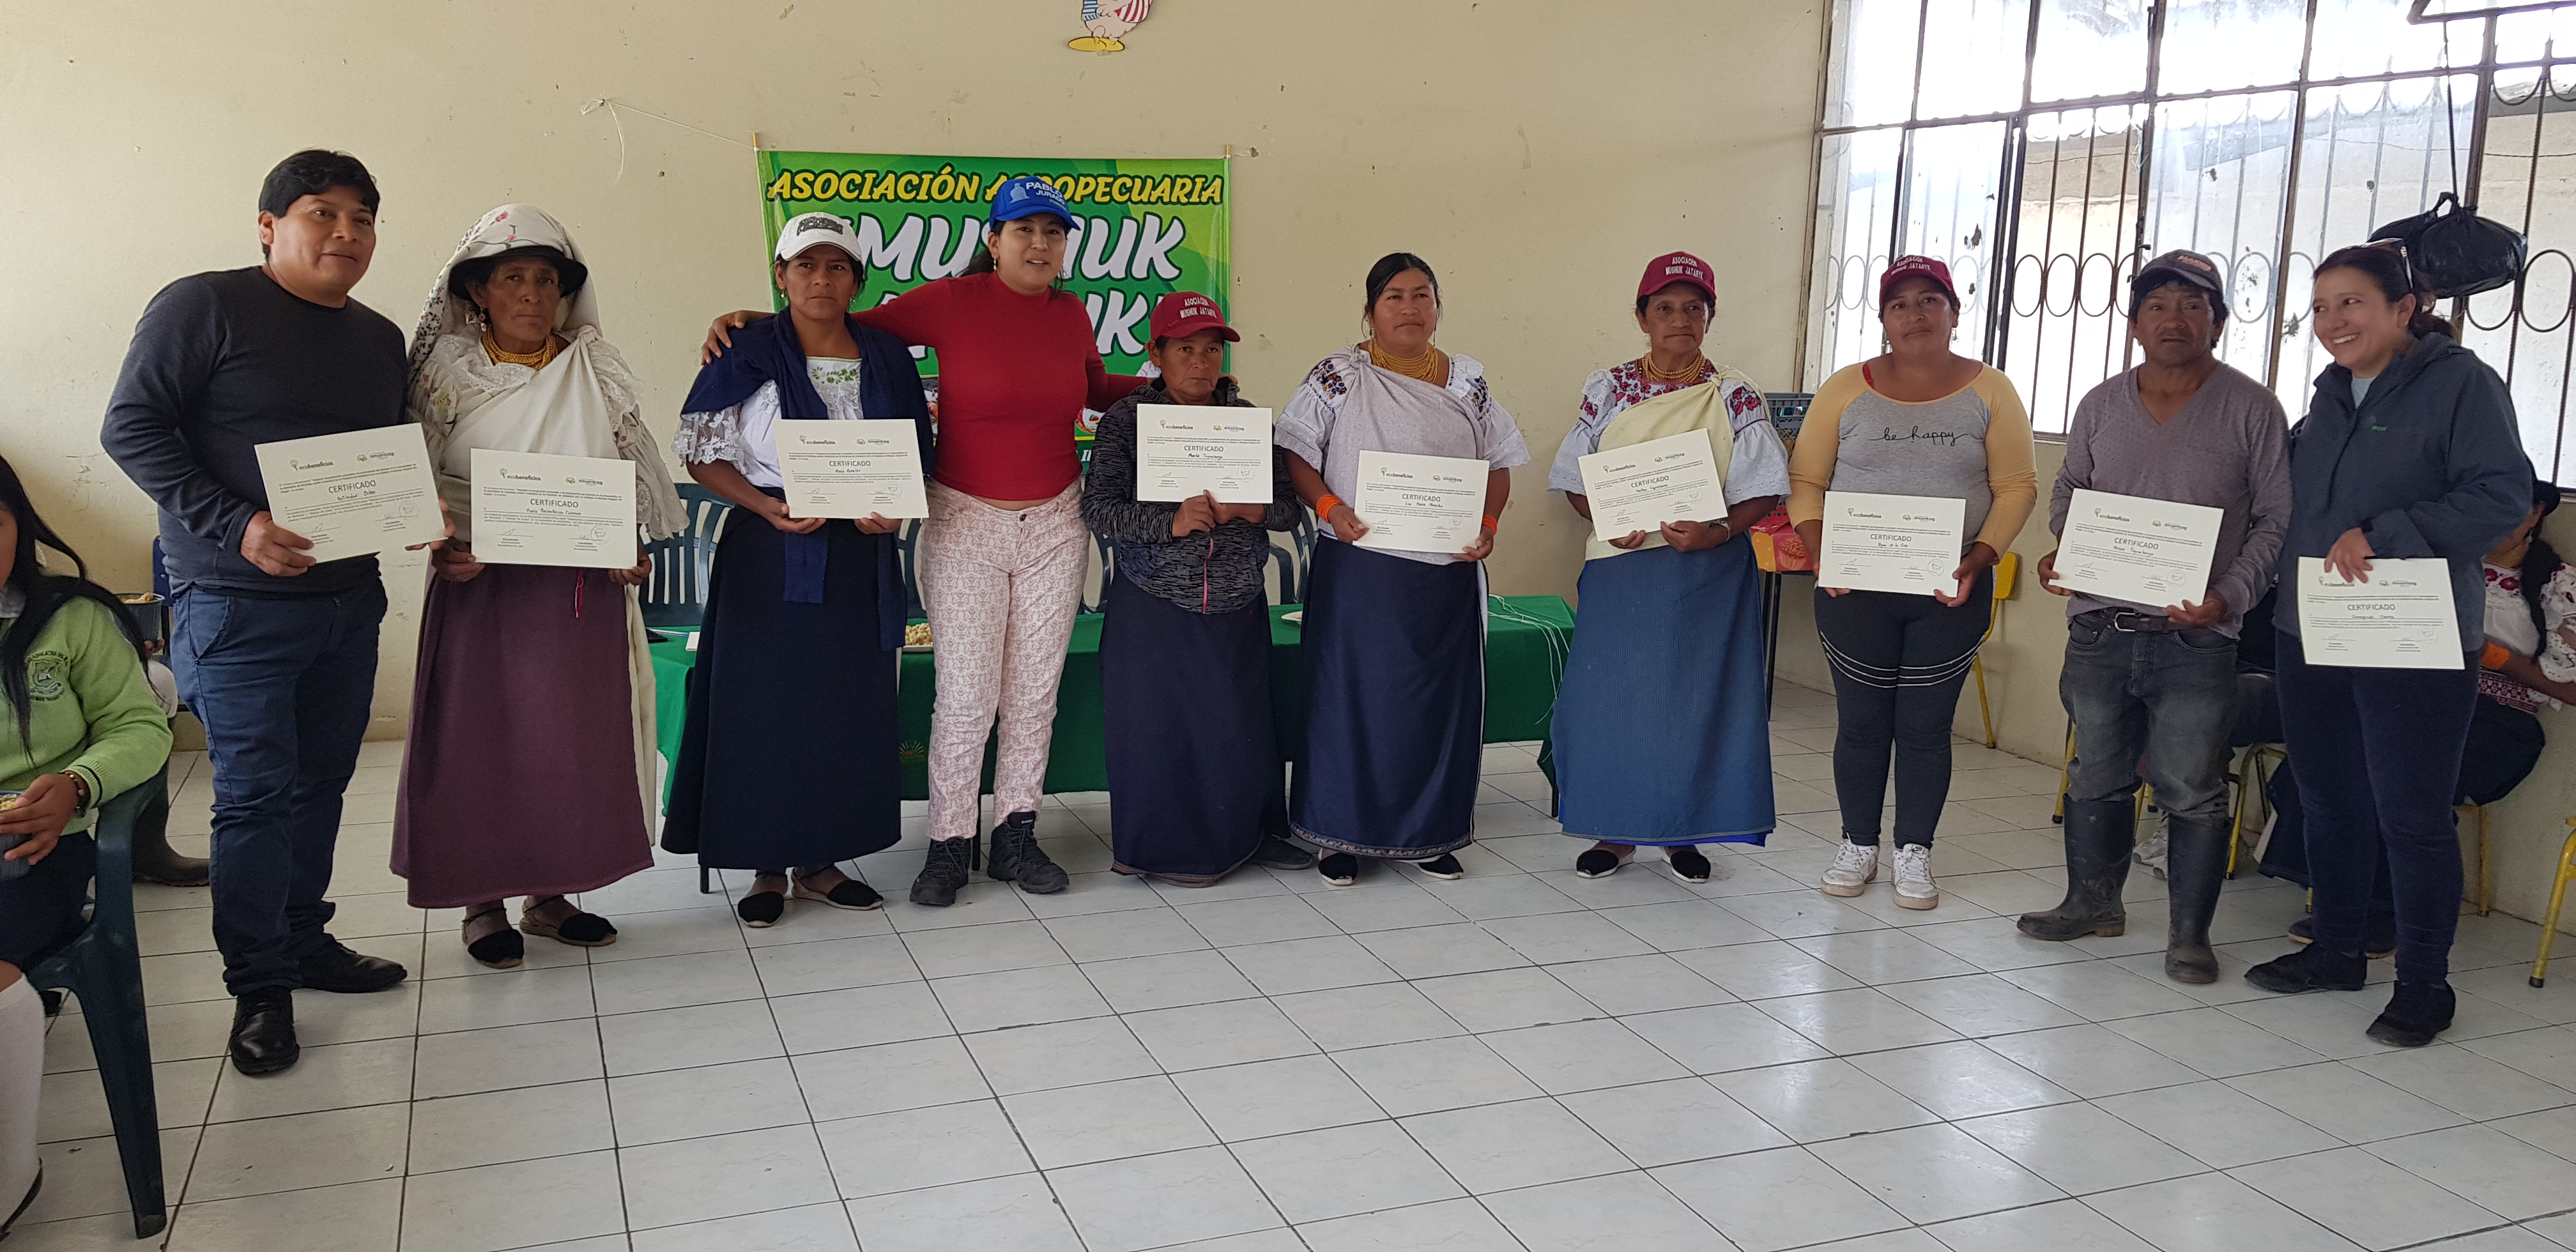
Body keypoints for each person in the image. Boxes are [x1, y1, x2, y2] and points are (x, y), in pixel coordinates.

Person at [704, 178, 1142, 908]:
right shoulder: (950, 301)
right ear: (994, 241)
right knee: (966, 695)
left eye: (1053, 232)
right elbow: (840, 319)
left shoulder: (1071, 313)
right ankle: (948, 844)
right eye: (1024, 230)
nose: (1040, 244)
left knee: (1034, 696)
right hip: (965, 518)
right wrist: (753, 322)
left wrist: (1180, 386)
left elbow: (1093, 386)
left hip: (1057, 523)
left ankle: (1017, 835)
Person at [100, 149, 417, 1076]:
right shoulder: (204, 306)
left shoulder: (379, 338)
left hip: (348, 603)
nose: (347, 233)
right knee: (253, 796)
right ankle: (260, 987)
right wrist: (236, 526)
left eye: (364, 218)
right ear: (270, 226)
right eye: (324, 213)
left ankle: (304, 940)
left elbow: (386, 454)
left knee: (321, 784)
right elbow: (130, 427)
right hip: (235, 606)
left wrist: (416, 515)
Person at [2242, 242, 2533, 1048]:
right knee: (2328, 797)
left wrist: (2387, 533)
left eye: (2352, 303)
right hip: (2314, 627)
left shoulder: (2462, 384)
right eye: (2321, 306)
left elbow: (2502, 495)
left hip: (2415, 632)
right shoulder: (2328, 396)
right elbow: (2291, 506)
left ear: (2404, 309)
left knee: (2412, 814)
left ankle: (2424, 985)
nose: (2333, 321)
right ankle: (2336, 949)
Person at [393, 205, 687, 966]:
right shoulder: (446, 373)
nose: (531, 294)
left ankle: (550, 896)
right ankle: (481, 902)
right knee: (481, 741)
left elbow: (627, 475)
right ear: (478, 291)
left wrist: (629, 547)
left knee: (568, 743)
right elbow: (413, 475)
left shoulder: (594, 368)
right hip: (480, 589)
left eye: (546, 280)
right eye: (512, 278)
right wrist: (444, 542)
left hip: (576, 592)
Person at [2013, 250, 2292, 983]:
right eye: (2158, 305)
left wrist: (2229, 595)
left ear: (2219, 323)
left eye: (2193, 305)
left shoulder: (2253, 408)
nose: (2175, 319)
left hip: (2197, 636)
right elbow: (2069, 491)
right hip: (2100, 629)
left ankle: (2189, 936)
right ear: (2135, 323)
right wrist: (2069, 550)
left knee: (2192, 784)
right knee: (2095, 771)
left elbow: (2276, 519)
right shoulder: (2101, 404)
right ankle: (2091, 904)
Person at [667, 213, 930, 926]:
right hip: (769, 552)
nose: (821, 280)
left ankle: (821, 861)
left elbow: (913, 450)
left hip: (858, 558)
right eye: (805, 266)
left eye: (837, 266)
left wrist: (894, 510)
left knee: (843, 704)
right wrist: (764, 504)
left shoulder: (886, 356)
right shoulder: (747, 349)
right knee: (765, 704)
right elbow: (701, 453)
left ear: (857, 281)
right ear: (781, 277)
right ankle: (766, 865)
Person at [1788, 256, 2039, 910]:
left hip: (1952, 588)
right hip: (1853, 589)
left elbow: (2017, 486)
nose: (1915, 314)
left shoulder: (1992, 390)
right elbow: (1807, 480)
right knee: (1861, 723)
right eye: (1899, 303)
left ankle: (1914, 850)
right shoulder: (1845, 388)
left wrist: (1980, 557)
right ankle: (1858, 843)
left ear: (1955, 311)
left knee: (1926, 726)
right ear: (1883, 319)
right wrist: (1823, 553)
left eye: (1931, 299)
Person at [1276, 252, 1529, 886]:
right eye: (1395, 296)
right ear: (1370, 311)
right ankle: (1336, 835)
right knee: (1350, 699)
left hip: (1445, 574)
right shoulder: (1339, 376)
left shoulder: (1467, 383)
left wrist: (1488, 524)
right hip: (1360, 568)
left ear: (1438, 308)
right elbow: (1296, 452)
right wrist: (1329, 508)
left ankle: (1428, 834)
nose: (1410, 308)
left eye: (1422, 295)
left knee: (1435, 703)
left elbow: (1499, 463)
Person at [1545, 251, 1786, 880]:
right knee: (1614, 699)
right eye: (1665, 308)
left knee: (1693, 699)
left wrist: (1719, 531)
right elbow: (1576, 479)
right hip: (1622, 567)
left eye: (1693, 309)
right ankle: (1615, 831)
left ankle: (1685, 832)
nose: (1680, 319)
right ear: (1642, 317)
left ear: (1709, 317)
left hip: (1704, 570)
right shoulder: (1608, 389)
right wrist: (1605, 516)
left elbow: (1764, 486)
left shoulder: (1733, 393)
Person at [2267, 477, 2574, 951]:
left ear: (2535, 514)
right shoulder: (2434, 561)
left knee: (2405, 786)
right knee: (2332, 765)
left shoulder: (2557, 585)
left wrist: (2492, 656)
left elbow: (2570, 687)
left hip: (2496, 721)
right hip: (2411, 696)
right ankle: (2342, 904)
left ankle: (2387, 914)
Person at [1080, 293, 1314, 884]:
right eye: (1185, 349)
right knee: (1158, 729)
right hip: (1154, 598)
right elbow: (1098, 509)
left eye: (1212, 350)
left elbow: (1289, 509)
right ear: (1155, 352)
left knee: (1239, 724)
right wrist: (1172, 522)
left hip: (1237, 597)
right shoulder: (1126, 421)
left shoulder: (1249, 422)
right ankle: (1161, 851)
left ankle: (1252, 837)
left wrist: (1252, 510)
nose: (1200, 362)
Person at [0, 456, 175, 1240]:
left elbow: (139, 726)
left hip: (35, 844)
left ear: (21, 525)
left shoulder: (70, 618)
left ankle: (8, 1178)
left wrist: (77, 784)